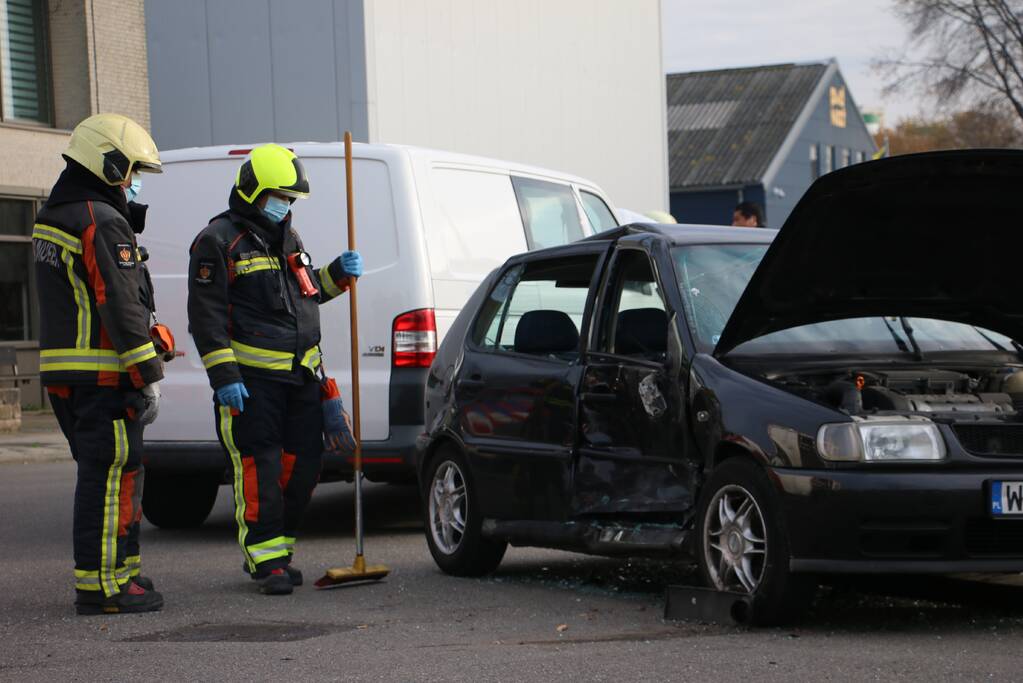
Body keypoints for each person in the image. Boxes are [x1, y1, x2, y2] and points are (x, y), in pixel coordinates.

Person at [187, 144, 363, 595]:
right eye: (279, 197)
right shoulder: (217, 241)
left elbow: (307, 292)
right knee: (259, 470)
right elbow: (206, 318)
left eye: (290, 198)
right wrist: (225, 377)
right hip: (252, 384)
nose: (285, 205)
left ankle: (281, 551)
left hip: (301, 378)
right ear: (254, 192)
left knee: (303, 467)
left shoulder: (289, 238)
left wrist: (337, 275)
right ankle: (266, 561)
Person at [34, 113, 167, 615]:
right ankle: (103, 587)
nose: (134, 183)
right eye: (132, 171)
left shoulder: (56, 214)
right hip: (104, 376)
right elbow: (121, 304)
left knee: (116, 475)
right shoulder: (102, 219)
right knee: (111, 479)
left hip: (70, 375)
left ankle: (121, 570)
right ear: (108, 163)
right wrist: (148, 375)